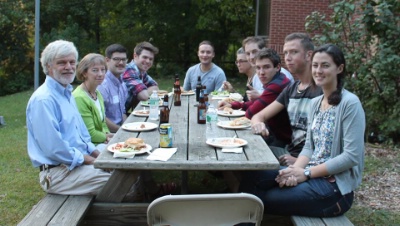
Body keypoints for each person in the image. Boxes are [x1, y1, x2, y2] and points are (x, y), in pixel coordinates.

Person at [240, 43, 365, 217]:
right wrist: (294, 172)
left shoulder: (350, 103)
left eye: (325, 65)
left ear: (340, 68)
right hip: (309, 173)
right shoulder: (316, 103)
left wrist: (305, 173)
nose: (318, 70)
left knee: (262, 198)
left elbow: (351, 156)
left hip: (334, 188)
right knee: (253, 177)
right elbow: (309, 147)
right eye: (315, 65)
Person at [26, 40, 110, 195]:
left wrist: (102, 158)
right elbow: (55, 149)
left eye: (72, 62)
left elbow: (84, 138)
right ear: (48, 66)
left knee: (125, 170)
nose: (69, 67)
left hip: (76, 166)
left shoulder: (67, 94)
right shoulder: (44, 100)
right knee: (119, 182)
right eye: (61, 63)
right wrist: (95, 162)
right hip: (58, 174)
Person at [251, 33, 322, 166]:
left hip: (306, 162)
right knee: (247, 153)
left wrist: (300, 162)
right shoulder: (292, 88)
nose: (288, 58)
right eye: (285, 53)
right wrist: (258, 123)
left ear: (309, 55)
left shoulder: (321, 91)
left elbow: (328, 144)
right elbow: (258, 116)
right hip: (287, 152)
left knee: (253, 173)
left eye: (294, 52)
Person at [218, 48, 292, 148]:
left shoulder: (277, 85)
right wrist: (233, 105)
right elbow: (259, 102)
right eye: (258, 68)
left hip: (282, 141)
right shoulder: (279, 78)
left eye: (266, 67)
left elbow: (250, 114)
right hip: (274, 134)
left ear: (278, 67)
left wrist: (229, 121)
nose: (261, 72)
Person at [73, 53, 114, 151]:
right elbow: (89, 134)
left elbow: (103, 124)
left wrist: (107, 137)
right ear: (84, 73)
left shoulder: (97, 93)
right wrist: (108, 137)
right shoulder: (79, 97)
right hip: (89, 147)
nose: (100, 74)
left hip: (101, 141)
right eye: (95, 70)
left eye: (103, 70)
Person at [98, 44, 129, 133]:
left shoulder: (122, 84)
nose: (121, 63)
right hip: (108, 134)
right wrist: (122, 131)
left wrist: (128, 127)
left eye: (123, 59)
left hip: (120, 129)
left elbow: (122, 112)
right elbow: (101, 118)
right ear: (107, 60)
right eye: (116, 59)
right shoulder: (102, 85)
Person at [123, 41, 159, 111]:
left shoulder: (141, 72)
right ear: (135, 56)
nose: (148, 61)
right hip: (114, 118)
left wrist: (142, 93)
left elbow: (155, 87)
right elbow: (144, 97)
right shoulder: (129, 70)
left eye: (151, 59)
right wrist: (140, 95)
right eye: (145, 57)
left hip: (123, 113)